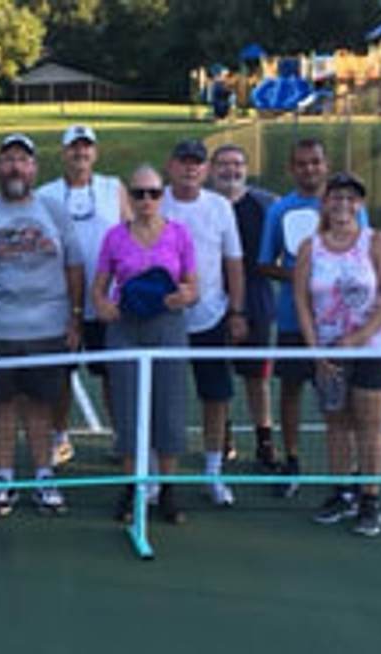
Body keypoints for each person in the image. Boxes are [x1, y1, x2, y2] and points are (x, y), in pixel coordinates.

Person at [0, 133, 84, 517]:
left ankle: (44, 476)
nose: (15, 167)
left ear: (34, 168)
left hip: (47, 327)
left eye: (23, 160)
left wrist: (74, 318)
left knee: (41, 406)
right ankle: (4, 477)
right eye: (8, 159)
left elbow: (74, 265)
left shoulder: (54, 210)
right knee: (3, 405)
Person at [258, 139, 369, 497]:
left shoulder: (349, 207)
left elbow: (365, 254)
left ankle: (348, 473)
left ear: (326, 164)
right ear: (292, 168)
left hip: (342, 326)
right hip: (295, 320)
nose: (309, 169)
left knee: (343, 399)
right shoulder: (280, 211)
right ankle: (291, 461)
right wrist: (302, 277)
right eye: (302, 163)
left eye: (316, 162)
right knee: (291, 390)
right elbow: (264, 263)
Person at [294, 173, 381, 537]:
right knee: (336, 424)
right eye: (335, 197)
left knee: (369, 425)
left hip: (372, 349)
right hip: (328, 352)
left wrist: (359, 338)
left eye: (350, 199)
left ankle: (369, 499)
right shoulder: (311, 247)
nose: (343, 204)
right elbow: (302, 301)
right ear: (324, 203)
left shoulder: (376, 242)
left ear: (360, 205)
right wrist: (314, 350)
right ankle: (341, 492)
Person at [92, 164, 197, 524]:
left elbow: (192, 286)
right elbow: (99, 287)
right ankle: (132, 487)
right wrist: (103, 307)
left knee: (168, 406)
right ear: (129, 198)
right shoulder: (114, 237)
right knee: (128, 407)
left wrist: (182, 297)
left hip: (167, 327)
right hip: (126, 328)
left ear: (162, 195)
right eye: (138, 193)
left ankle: (167, 490)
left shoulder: (180, 235)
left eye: (152, 193)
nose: (146, 200)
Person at [36, 124, 133, 467]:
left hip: (108, 304)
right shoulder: (45, 194)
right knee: (61, 375)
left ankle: (122, 437)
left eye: (86, 147)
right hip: (60, 306)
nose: (81, 153)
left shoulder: (113, 187)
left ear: (95, 152)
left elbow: (131, 235)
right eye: (74, 148)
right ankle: (60, 438)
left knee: (113, 376)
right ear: (64, 153)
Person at [161, 139, 247, 507]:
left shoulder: (220, 207)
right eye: (183, 162)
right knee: (164, 399)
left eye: (197, 163)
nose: (190, 168)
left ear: (206, 169)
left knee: (216, 397)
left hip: (211, 318)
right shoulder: (153, 200)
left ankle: (212, 472)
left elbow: (233, 262)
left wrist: (237, 311)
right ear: (171, 166)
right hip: (163, 319)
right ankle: (158, 478)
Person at [209, 144, 279, 469]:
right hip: (212, 300)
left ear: (246, 168)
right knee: (216, 375)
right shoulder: (204, 205)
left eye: (237, 164)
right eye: (223, 164)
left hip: (256, 299)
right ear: (212, 170)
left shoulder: (266, 204)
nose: (230, 170)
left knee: (256, 377)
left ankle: (264, 441)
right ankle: (222, 439)